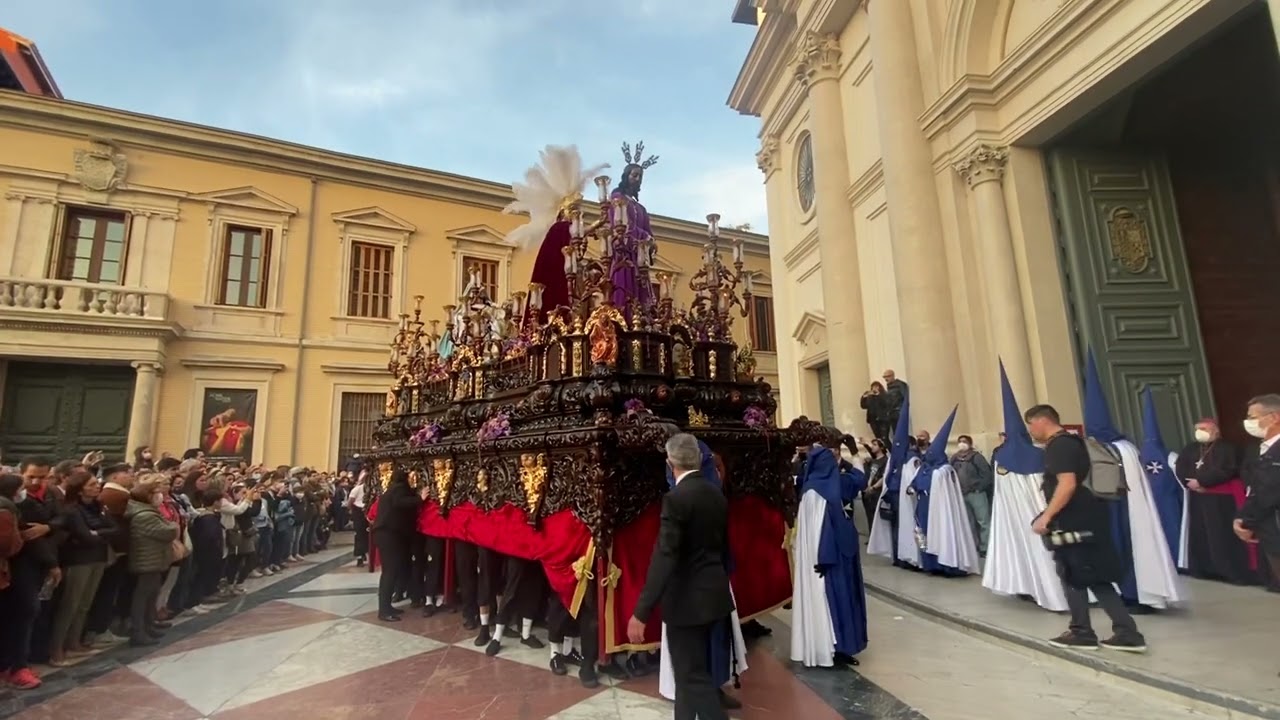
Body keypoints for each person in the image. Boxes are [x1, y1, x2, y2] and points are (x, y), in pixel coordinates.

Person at [1023, 404, 1146, 652]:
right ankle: (1125, 632)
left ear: (1042, 421)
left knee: (1073, 573)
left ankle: (1083, 632)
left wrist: (1047, 516)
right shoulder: (1072, 443)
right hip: (1087, 518)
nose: (1030, 431)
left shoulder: (1060, 446)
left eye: (1031, 425)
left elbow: (1067, 484)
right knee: (1092, 575)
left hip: (1074, 519)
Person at [628, 433, 732, 720]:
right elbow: (722, 547)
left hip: (687, 603)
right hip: (713, 597)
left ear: (670, 463)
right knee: (690, 674)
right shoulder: (716, 493)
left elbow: (665, 556)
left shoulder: (676, 499)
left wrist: (641, 611)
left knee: (691, 677)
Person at [657, 440, 748, 710]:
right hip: (696, 581)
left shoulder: (701, 485)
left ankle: (711, 687)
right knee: (690, 659)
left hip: (702, 579)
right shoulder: (686, 494)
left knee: (703, 648)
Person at [791, 441, 869, 668]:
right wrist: (854, 455)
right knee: (838, 603)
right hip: (832, 558)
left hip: (819, 558)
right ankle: (838, 647)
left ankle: (824, 646)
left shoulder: (810, 489)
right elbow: (825, 527)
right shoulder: (830, 488)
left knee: (826, 602)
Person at [1174, 419, 1253, 584]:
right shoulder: (1190, 449)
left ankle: (1229, 571)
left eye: (1204, 428)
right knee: (1201, 534)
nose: (1200, 432)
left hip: (1220, 500)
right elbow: (1180, 467)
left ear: (1215, 430)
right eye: (1197, 429)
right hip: (1197, 498)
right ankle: (1206, 570)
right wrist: (1189, 483)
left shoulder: (1228, 448)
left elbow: (1229, 469)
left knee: (1221, 534)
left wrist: (1202, 481)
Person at [124, 476, 178, 647]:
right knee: (142, 597)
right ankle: (138, 632)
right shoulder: (144, 515)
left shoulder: (150, 512)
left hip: (155, 558)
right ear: (147, 495)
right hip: (146, 560)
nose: (160, 494)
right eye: (156, 492)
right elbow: (168, 531)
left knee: (151, 594)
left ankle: (149, 624)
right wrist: (174, 526)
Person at [1235, 394, 1280, 592]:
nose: (1248, 422)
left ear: (1274, 417)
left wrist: (1247, 521)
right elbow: (1255, 488)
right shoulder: (1262, 449)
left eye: (1253, 417)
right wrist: (1243, 516)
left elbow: (1270, 490)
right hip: (1270, 531)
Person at [607, 145, 659, 313]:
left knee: (641, 289)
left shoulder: (641, 208)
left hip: (639, 256)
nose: (637, 179)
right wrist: (646, 238)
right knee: (624, 285)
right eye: (634, 175)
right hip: (624, 251)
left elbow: (648, 231)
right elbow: (623, 224)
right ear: (626, 176)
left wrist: (652, 242)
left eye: (640, 176)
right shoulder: (618, 198)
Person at [371, 469, 423, 622]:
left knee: (392, 571)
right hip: (388, 536)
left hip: (388, 535)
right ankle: (384, 610)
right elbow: (400, 502)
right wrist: (420, 498)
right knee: (389, 572)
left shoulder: (392, 489)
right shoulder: (398, 489)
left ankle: (387, 606)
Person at [950, 434, 994, 557]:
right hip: (962, 494)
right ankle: (973, 546)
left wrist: (979, 488)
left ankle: (985, 547)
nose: (961, 443)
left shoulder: (977, 457)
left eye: (964, 441)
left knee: (983, 521)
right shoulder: (955, 458)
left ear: (970, 443)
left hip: (976, 494)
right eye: (960, 441)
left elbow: (987, 475)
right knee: (968, 521)